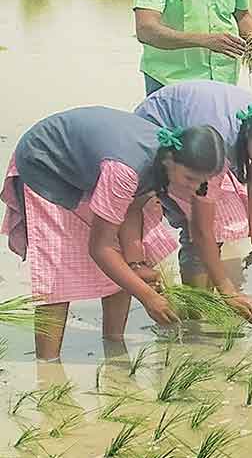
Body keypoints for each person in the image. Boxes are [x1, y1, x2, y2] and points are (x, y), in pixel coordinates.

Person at [5, 110, 228, 359]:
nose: (195, 188)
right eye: (189, 178)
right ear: (169, 161)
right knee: (60, 270)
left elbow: (131, 208)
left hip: (92, 167)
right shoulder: (126, 170)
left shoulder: (160, 164)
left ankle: (114, 345)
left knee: (123, 265)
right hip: (46, 163)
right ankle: (48, 364)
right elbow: (100, 248)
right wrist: (148, 297)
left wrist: (136, 263)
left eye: (201, 182)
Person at [135, 81, 252, 320]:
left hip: (195, 120)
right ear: (248, 134)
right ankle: (196, 314)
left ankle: (204, 300)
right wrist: (229, 293)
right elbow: (201, 230)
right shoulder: (217, 143)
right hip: (160, 126)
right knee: (196, 229)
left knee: (215, 225)